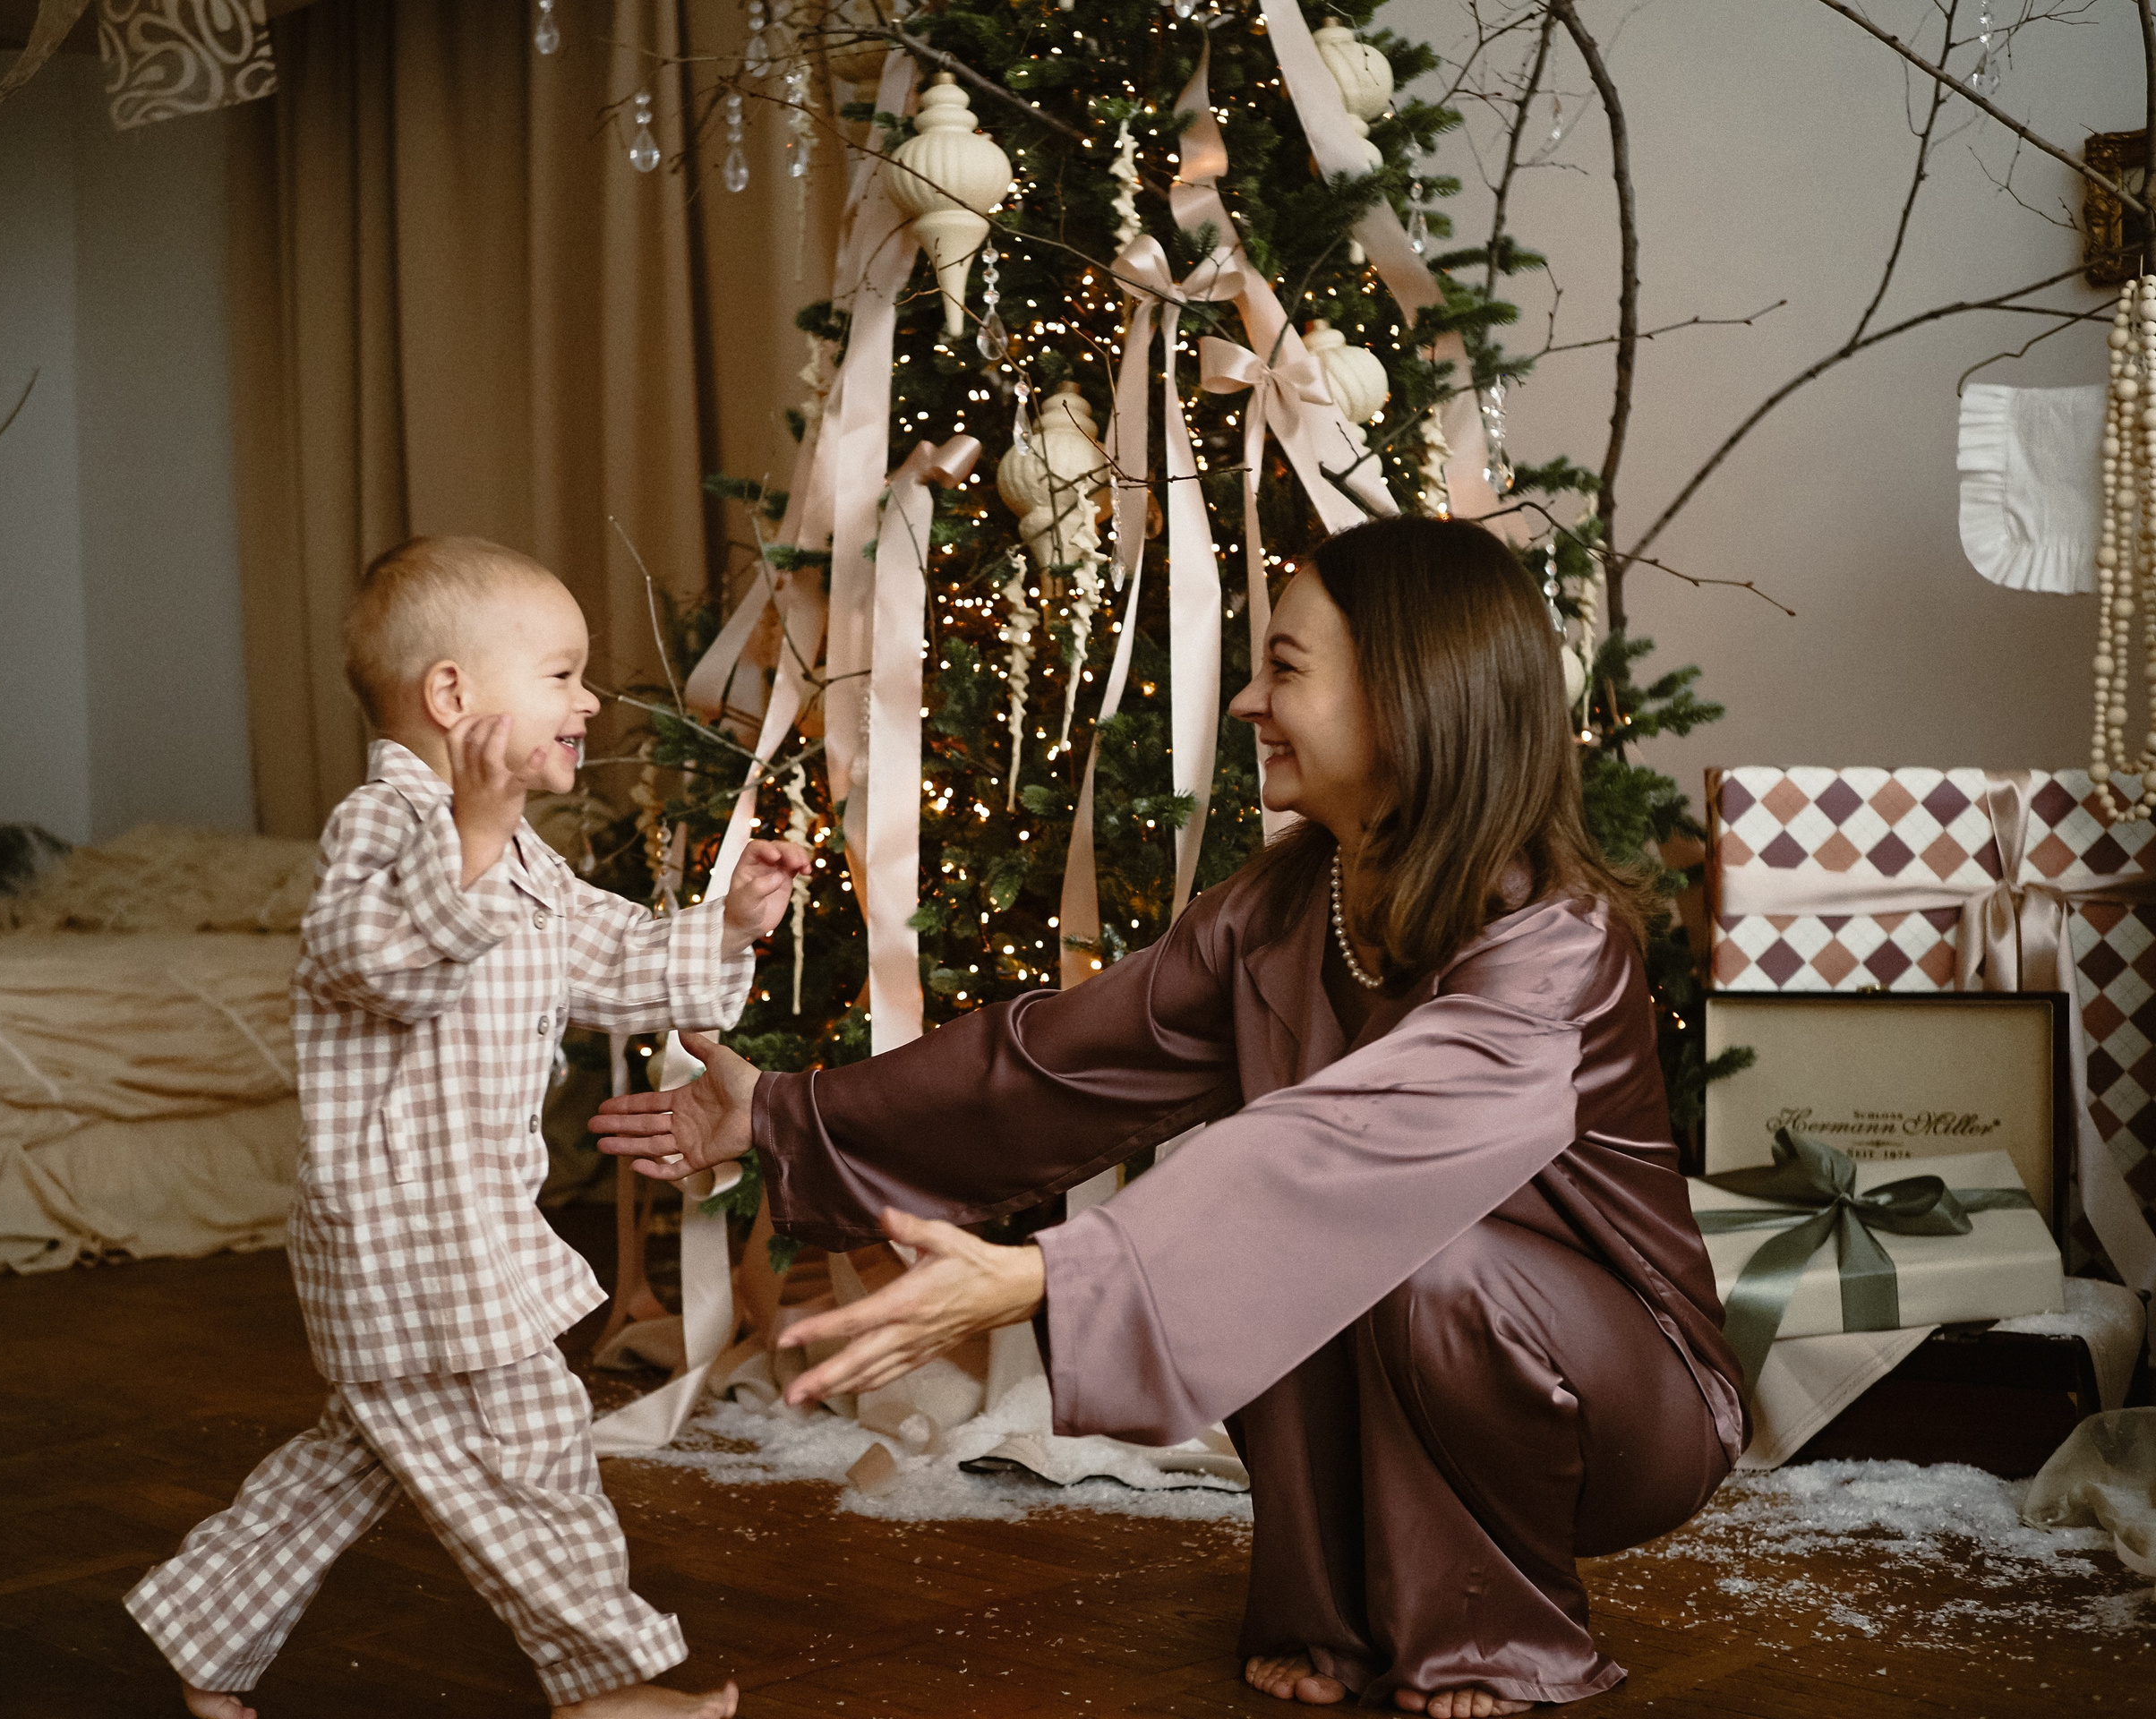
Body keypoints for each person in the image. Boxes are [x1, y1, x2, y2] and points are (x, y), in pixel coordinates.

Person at [591, 516, 1747, 1715]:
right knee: (1296, 1247)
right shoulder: (1289, 903)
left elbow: (1343, 1156)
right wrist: (781, 1116)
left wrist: (1044, 1278)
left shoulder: (1554, 942)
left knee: (1381, 1246)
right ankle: (1341, 1617)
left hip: (1629, 1403)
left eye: (1287, 669)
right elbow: (1051, 1066)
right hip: (1432, 1320)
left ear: (1407, 696)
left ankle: (1498, 1635)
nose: (1250, 700)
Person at [127, 536, 802, 1719]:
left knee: (361, 1456)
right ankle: (606, 1688)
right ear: (453, 697)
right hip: (409, 1243)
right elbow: (371, 960)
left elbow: (621, 959)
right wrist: (473, 838)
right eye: (560, 674)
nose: (588, 700)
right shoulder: (383, 830)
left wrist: (731, 925)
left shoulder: (525, 860)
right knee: (524, 1444)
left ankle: (203, 1629)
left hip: (460, 1232)